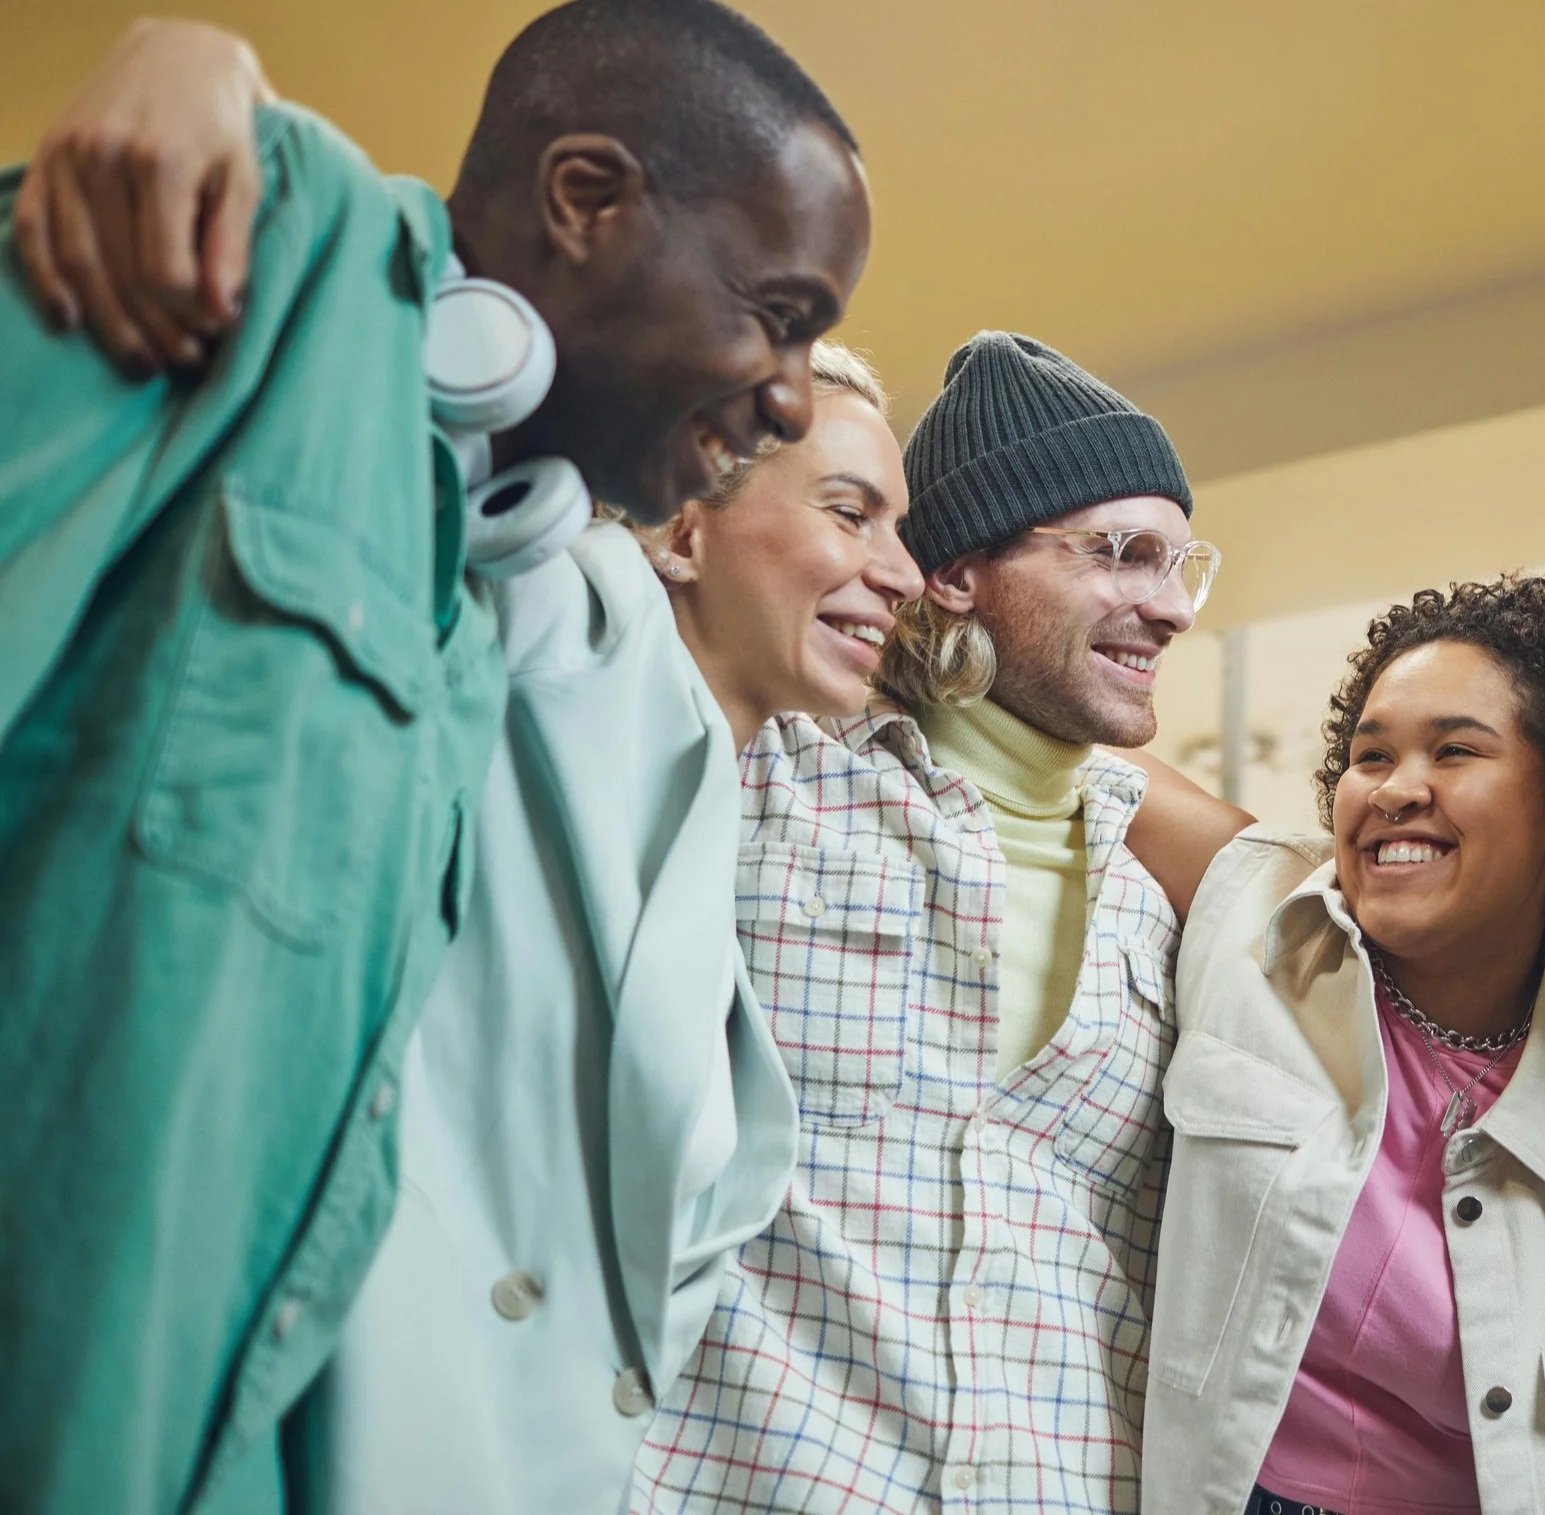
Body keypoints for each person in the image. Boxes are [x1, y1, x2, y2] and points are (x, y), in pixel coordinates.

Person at [0, 4, 870, 1508]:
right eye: (779, 310)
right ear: (586, 200)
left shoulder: (498, 590)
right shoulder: (266, 239)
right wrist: (204, 72)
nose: (792, 391)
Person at [292, 338, 918, 1512]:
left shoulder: (743, 784)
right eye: (851, 513)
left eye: (901, 529)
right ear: (681, 531)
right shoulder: (577, 614)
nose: (905, 573)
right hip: (365, 1396)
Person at [631, 331, 1218, 1512]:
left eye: (1181, 565)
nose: (1168, 610)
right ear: (953, 571)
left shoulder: (1173, 903)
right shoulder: (769, 778)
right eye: (1119, 555)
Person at [1120, 577, 1545, 1514]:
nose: (1397, 788)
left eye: (1455, 750)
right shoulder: (1259, 910)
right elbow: (1051, 743)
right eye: (1371, 754)